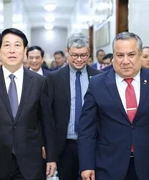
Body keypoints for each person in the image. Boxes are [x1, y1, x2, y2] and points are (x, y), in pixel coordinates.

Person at [78, 32, 149, 180]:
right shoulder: (97, 84)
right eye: (120, 55)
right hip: (108, 166)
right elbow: (86, 129)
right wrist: (87, 165)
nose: (125, 61)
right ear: (113, 57)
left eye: (131, 54)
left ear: (140, 55)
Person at [0, 28, 57, 180]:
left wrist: (51, 156)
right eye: (7, 45)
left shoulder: (39, 82)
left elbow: (47, 122)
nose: (12, 50)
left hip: (30, 162)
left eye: (17, 45)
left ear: (24, 50)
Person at [43, 33, 101, 180]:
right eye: (75, 55)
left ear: (89, 54)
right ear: (67, 52)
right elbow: (47, 117)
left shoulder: (100, 78)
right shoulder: (53, 79)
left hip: (94, 144)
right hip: (65, 145)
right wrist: (50, 151)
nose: (79, 60)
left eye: (83, 55)